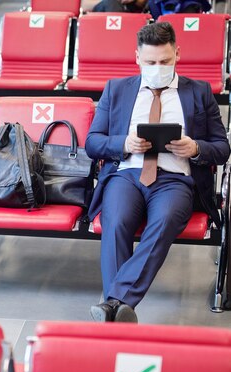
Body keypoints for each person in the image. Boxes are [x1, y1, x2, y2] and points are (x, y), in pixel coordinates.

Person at [85, 22, 230, 323]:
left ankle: (114, 303)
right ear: (136, 57)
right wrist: (123, 143)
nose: (157, 67)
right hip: (126, 175)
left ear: (178, 53)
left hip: (175, 180)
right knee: (117, 220)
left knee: (164, 220)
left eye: (164, 61)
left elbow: (222, 147)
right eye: (150, 62)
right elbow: (92, 142)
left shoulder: (200, 92)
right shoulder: (117, 89)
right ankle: (120, 305)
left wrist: (196, 148)